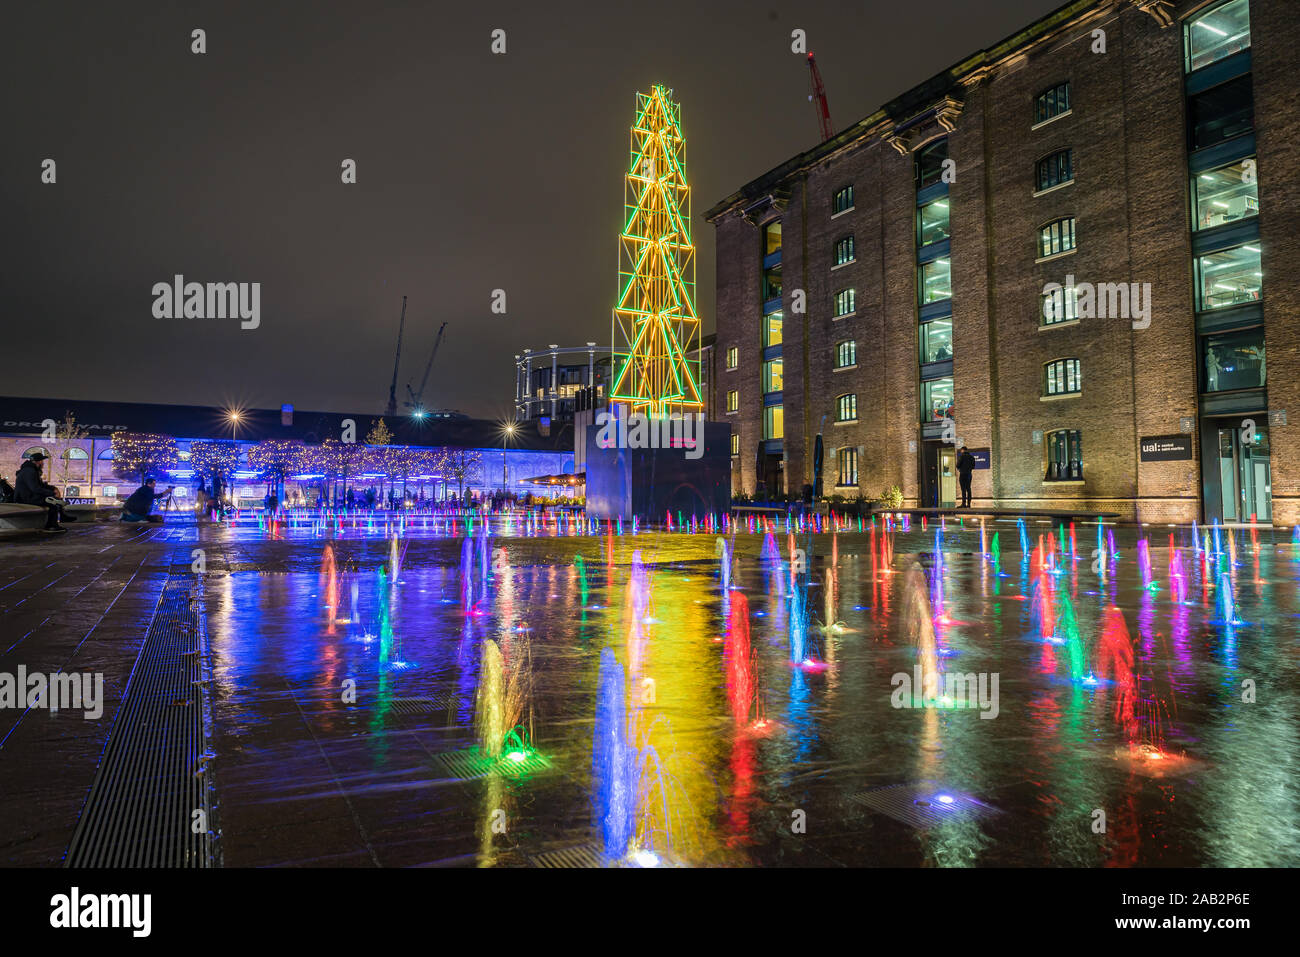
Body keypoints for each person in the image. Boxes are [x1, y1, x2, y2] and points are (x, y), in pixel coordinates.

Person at [14, 452, 73, 532]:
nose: (43, 463)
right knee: (53, 503)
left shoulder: (31, 470)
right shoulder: (29, 471)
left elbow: (41, 485)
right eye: (42, 461)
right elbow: (35, 488)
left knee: (54, 500)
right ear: (38, 462)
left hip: (29, 496)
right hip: (25, 498)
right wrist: (52, 493)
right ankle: (51, 526)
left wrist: (53, 489)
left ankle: (62, 517)